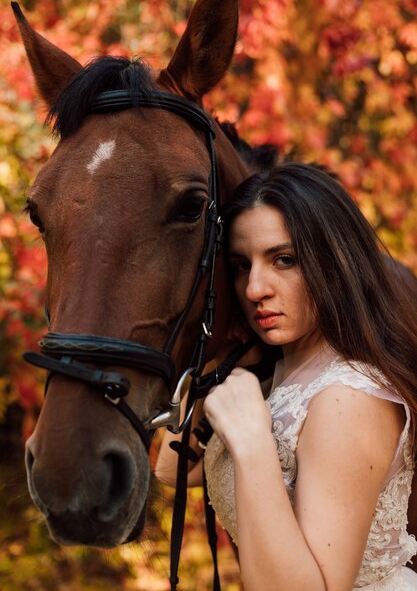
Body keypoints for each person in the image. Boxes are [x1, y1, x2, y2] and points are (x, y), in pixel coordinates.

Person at [156, 162, 417, 591]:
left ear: (336, 263)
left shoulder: (347, 398)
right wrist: (217, 355)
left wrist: (252, 439)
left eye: (284, 260)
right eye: (242, 265)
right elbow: (172, 470)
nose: (256, 288)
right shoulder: (277, 374)